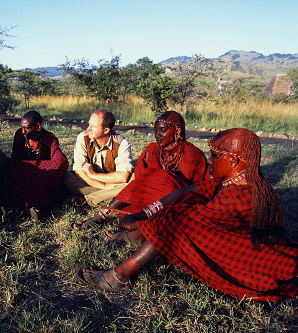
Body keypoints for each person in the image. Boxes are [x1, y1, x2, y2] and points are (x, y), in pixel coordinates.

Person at [78, 128, 298, 302]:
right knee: (184, 202)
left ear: (232, 161)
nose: (209, 160)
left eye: (214, 156)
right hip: (208, 227)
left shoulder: (242, 196)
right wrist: (146, 213)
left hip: (248, 264)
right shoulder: (236, 180)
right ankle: (140, 236)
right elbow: (189, 189)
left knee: (176, 222)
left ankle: (119, 276)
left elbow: (188, 219)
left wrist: (145, 221)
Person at [73, 111, 209, 232]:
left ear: (177, 132)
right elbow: (143, 179)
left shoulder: (193, 154)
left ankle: (105, 214)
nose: (157, 135)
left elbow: (198, 189)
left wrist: (165, 181)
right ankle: (106, 213)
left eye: (162, 130)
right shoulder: (153, 149)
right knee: (69, 177)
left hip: (178, 203)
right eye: (155, 130)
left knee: (158, 179)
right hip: (149, 198)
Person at [2, 111, 69, 220]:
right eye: (22, 128)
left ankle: (31, 208)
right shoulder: (20, 135)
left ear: (38, 126)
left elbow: (60, 161)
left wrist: (35, 169)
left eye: (27, 128)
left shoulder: (50, 138)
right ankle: (24, 208)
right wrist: (27, 168)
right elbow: (15, 160)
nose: (23, 131)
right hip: (23, 177)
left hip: (42, 179)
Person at [64, 109, 133, 208]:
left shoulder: (122, 144)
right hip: (98, 183)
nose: (88, 129)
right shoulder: (83, 138)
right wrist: (104, 186)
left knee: (133, 181)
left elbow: (123, 177)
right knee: (68, 178)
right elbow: (78, 171)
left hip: (110, 181)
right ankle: (109, 194)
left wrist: (94, 175)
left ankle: (88, 199)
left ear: (106, 130)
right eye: (89, 124)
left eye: (93, 126)